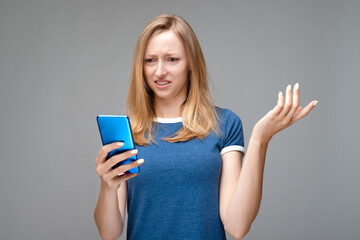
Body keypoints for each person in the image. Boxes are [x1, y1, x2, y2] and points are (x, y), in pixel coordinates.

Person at [93, 14, 318, 240]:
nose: (159, 71)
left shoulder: (224, 124)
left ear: (191, 63)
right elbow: (109, 233)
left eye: (172, 59)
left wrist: (260, 139)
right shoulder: (126, 133)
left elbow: (237, 226)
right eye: (150, 60)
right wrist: (107, 186)